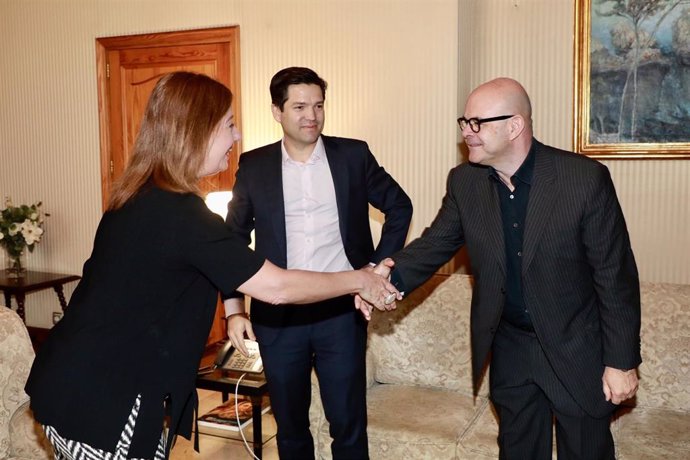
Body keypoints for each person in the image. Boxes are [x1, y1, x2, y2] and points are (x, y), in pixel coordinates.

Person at [24, 71, 400, 460]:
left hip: (70, 381)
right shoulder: (184, 216)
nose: (236, 137)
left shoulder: (136, 194)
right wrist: (361, 279)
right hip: (106, 399)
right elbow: (278, 287)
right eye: (229, 125)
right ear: (198, 131)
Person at [366, 77, 641, 459]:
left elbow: (616, 278)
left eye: (477, 123)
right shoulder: (465, 181)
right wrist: (385, 278)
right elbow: (435, 243)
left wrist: (621, 361)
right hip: (510, 349)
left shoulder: (583, 179)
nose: (467, 133)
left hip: (575, 347)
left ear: (515, 126)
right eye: (464, 122)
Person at [224, 66, 412, 459]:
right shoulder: (254, 166)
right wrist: (233, 308)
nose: (312, 115)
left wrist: (377, 270)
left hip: (340, 313)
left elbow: (399, 205)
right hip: (278, 316)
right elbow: (233, 241)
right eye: (299, 106)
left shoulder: (352, 155)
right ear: (277, 111)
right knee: (291, 428)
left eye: (319, 105)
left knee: (347, 424)